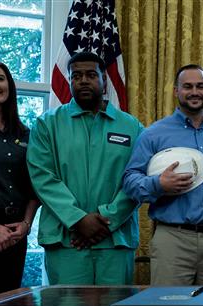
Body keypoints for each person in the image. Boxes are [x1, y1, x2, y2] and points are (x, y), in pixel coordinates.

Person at [27, 52, 143, 285]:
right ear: (69, 80)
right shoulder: (46, 124)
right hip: (66, 240)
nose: (83, 80)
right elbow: (42, 176)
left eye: (91, 75)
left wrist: (106, 220)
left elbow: (138, 178)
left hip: (115, 241)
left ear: (104, 80)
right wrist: (78, 220)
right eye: (76, 76)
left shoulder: (131, 127)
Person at [123, 64, 203, 286]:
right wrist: (158, 184)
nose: (194, 92)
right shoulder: (153, 135)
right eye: (187, 86)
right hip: (172, 239)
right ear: (176, 91)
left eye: (200, 86)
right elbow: (129, 181)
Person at [0, 61, 39, 293]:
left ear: (9, 86)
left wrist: (26, 224)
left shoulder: (25, 134)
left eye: (0, 79)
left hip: (15, 235)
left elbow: (34, 185)